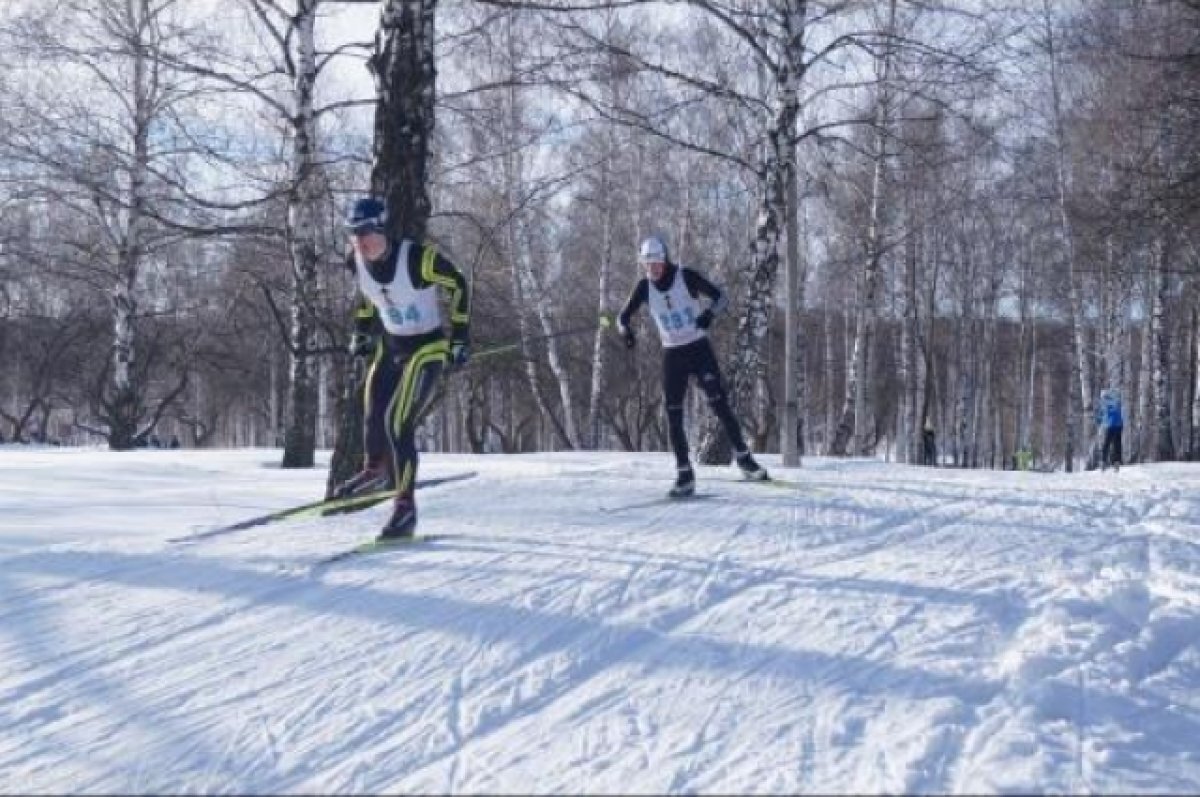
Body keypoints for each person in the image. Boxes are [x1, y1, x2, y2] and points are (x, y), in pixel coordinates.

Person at [334, 197, 471, 539]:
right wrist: (362, 333)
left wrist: (460, 337)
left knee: (398, 421)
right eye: (353, 234)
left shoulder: (416, 259)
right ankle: (374, 469)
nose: (359, 241)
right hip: (392, 344)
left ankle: (405, 510)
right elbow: (369, 296)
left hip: (428, 346)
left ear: (381, 229)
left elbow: (458, 283)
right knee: (372, 408)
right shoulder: (355, 260)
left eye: (365, 232)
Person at [616, 234, 768, 497]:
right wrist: (626, 332)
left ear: (665, 261)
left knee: (720, 404)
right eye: (648, 265)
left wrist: (709, 314)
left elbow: (721, 297)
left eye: (657, 264)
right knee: (673, 415)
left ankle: (744, 458)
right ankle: (685, 474)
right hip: (673, 355)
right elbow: (621, 318)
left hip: (699, 349)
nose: (653, 269)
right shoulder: (643, 288)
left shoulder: (684, 276)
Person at [1095, 387, 1124, 471]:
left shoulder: (1111, 402)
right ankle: (1112, 462)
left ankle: (1110, 462)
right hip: (1115, 425)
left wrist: (1099, 420)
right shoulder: (1112, 402)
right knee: (1113, 444)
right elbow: (1102, 414)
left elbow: (1103, 414)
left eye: (1103, 397)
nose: (1102, 399)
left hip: (1115, 426)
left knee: (1110, 444)